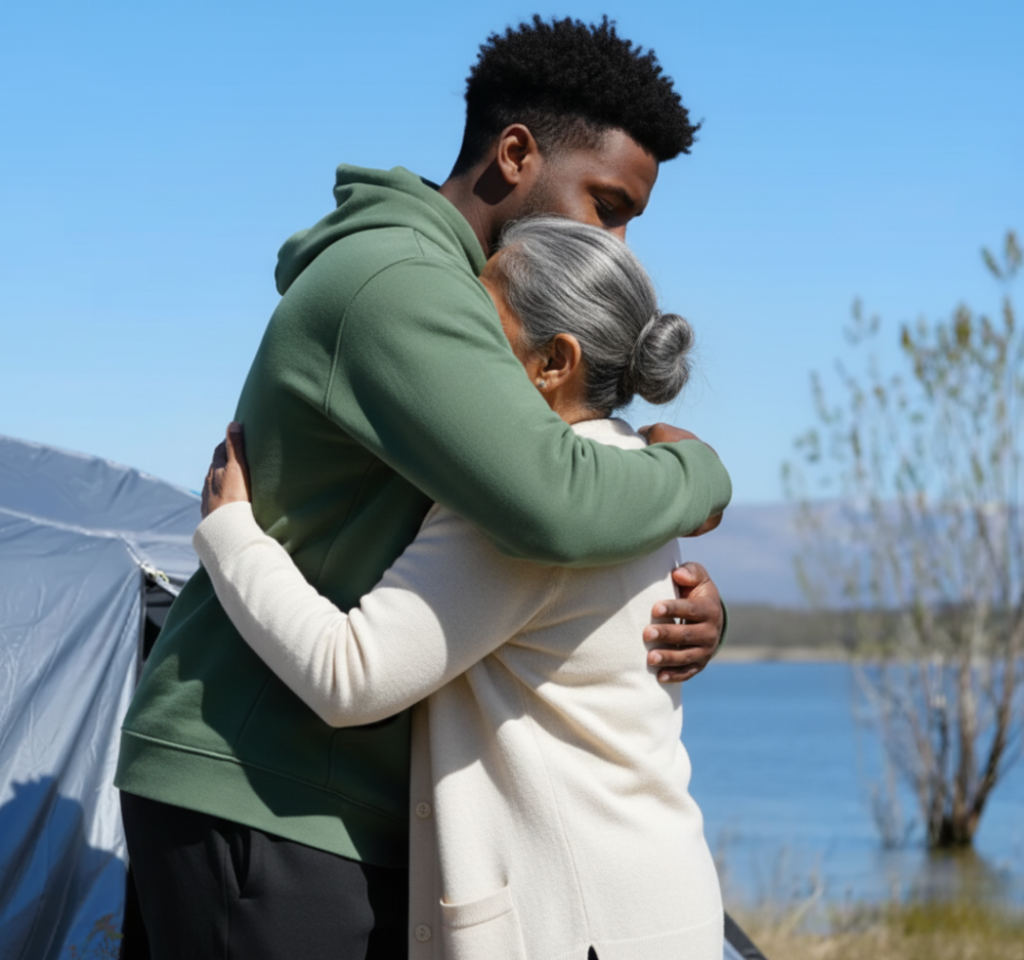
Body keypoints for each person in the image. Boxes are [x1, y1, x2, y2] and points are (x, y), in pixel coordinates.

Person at [116, 16, 731, 960]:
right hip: (266, 777)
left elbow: (551, 526)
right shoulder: (408, 283)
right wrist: (695, 472)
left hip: (331, 789)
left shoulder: (460, 295)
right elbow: (551, 503)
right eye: (606, 206)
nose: (619, 246)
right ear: (516, 154)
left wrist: (677, 601)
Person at [197, 216, 725, 960]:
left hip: (577, 925)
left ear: (554, 363)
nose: (449, 348)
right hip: (654, 905)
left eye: (477, 323)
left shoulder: (521, 516)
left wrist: (231, 534)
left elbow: (349, 677)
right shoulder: (632, 475)